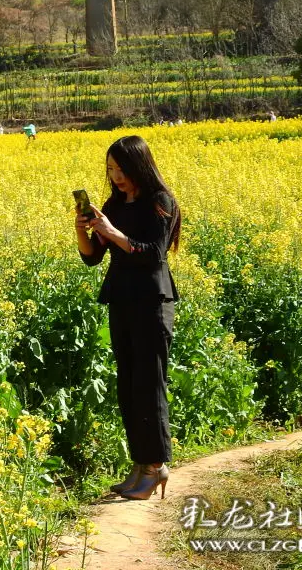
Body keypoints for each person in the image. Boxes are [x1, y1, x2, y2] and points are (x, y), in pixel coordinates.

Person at [75, 135, 181, 501]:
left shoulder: (160, 202)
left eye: (121, 169)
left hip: (152, 301)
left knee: (150, 385)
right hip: (121, 299)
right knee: (128, 386)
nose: (116, 176)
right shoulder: (114, 204)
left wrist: (114, 232)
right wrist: (83, 230)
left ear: (140, 165)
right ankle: (141, 464)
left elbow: (153, 253)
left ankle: (155, 466)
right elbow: (92, 258)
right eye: (110, 170)